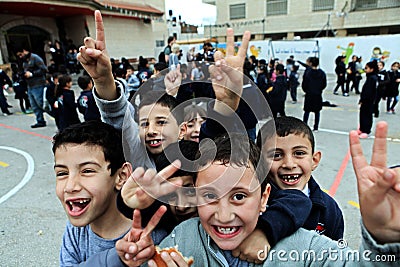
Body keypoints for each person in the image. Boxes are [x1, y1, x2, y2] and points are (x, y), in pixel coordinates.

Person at [115, 121, 400, 267]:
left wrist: (383, 239)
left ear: (264, 197)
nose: (224, 215)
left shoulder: (308, 249)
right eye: (210, 196)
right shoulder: (182, 241)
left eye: (239, 196)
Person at [52, 121, 133, 266]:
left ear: (121, 176)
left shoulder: (150, 237)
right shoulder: (76, 230)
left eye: (87, 171)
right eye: (62, 173)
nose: (70, 187)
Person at [257, 116, 344, 240]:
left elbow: (335, 255)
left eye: (299, 153)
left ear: (314, 160)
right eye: (276, 155)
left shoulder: (330, 210)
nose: (289, 164)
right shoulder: (252, 203)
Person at [16, 46, 48, 127]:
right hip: (30, 85)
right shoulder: (24, 61)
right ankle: (40, 120)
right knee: (34, 105)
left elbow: (44, 69)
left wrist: (32, 74)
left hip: (38, 84)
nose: (20, 57)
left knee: (41, 103)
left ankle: (57, 116)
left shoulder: (35, 58)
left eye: (21, 54)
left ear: (24, 51)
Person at [301, 57, 327, 132]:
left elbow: (304, 84)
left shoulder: (308, 72)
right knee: (317, 111)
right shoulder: (322, 73)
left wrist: (306, 90)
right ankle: (316, 127)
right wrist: (319, 90)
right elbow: (324, 84)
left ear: (311, 63)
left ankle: (304, 126)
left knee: (307, 111)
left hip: (309, 94)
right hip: (318, 94)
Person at [358, 60, 378, 138]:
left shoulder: (372, 78)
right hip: (366, 100)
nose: (365, 69)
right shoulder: (369, 77)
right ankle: (362, 128)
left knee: (367, 115)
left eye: (367, 68)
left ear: (371, 69)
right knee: (362, 114)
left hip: (369, 100)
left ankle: (366, 130)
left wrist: (363, 99)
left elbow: (368, 91)